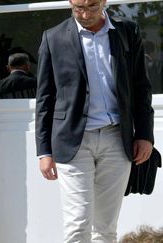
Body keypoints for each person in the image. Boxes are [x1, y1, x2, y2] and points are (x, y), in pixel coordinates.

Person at [35, 0, 154, 242]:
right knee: (77, 224)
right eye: (78, 7)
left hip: (116, 138)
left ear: (104, 2)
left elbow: (141, 86)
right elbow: (45, 98)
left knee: (106, 227)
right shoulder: (53, 37)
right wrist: (44, 150)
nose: (85, 13)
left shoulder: (126, 32)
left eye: (92, 5)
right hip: (73, 141)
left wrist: (144, 134)